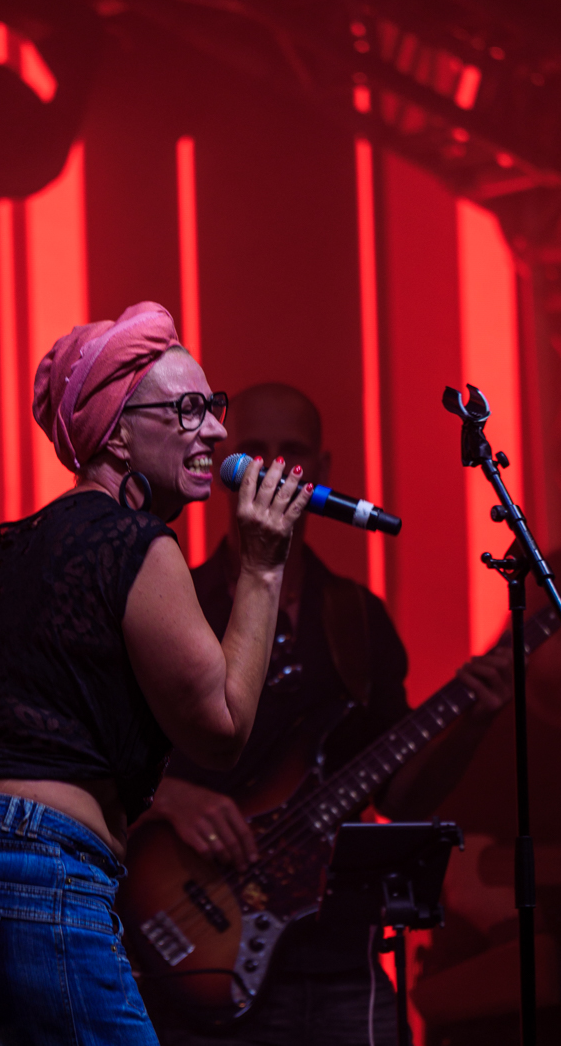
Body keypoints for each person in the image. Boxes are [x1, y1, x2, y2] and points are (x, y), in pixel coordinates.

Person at [0, 304, 313, 1046]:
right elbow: (223, 729)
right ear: (117, 433)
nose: (215, 431)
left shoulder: (8, 551)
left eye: (214, 407)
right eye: (189, 410)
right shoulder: (134, 543)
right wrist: (263, 566)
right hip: (33, 868)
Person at [141, 382, 512, 1046]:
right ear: (227, 465)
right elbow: (100, 763)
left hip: (340, 959)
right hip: (200, 956)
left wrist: (471, 723)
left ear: (322, 469)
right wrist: (169, 797)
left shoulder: (356, 618)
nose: (275, 468)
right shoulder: (178, 602)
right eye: (255, 450)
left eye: (293, 451)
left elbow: (400, 797)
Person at [415, 543, 561, 1046]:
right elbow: (458, 872)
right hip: (487, 1006)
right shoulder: (474, 735)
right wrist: (535, 938)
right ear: (532, 629)